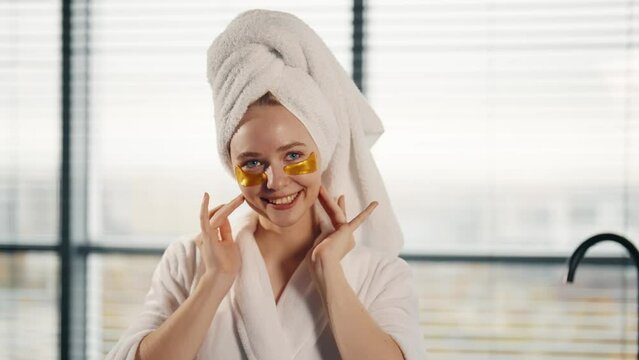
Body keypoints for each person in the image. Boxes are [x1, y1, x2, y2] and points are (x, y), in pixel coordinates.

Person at [106, 9, 426, 360]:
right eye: (253, 163)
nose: (275, 181)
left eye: (293, 156)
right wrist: (215, 279)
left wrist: (331, 274)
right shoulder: (189, 261)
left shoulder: (379, 274)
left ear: (322, 151)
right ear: (232, 166)